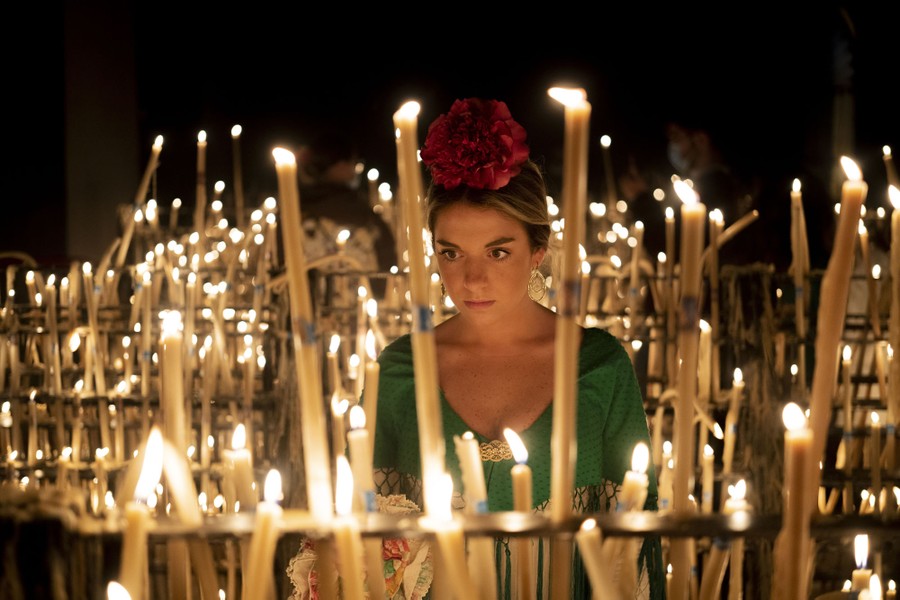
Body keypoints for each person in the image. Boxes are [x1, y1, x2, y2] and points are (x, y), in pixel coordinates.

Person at [369, 98, 664, 599]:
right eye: (451, 253)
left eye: (498, 251)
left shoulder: (597, 366)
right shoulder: (401, 371)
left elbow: (636, 551)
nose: (472, 277)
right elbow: (367, 549)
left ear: (538, 252)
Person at [297, 131, 397, 275]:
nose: (355, 170)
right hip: (365, 294)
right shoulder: (358, 212)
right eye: (354, 162)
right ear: (340, 165)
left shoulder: (296, 210)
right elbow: (386, 264)